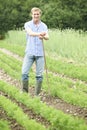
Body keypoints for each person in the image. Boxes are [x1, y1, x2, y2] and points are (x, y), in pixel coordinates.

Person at [21, 7, 49, 95]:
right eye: (34, 14)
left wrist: (43, 37)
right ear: (31, 15)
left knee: (39, 76)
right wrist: (39, 34)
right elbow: (30, 33)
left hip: (40, 54)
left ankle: (37, 95)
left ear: (40, 15)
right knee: (24, 73)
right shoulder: (27, 24)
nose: (36, 15)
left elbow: (47, 37)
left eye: (37, 14)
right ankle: (25, 93)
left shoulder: (44, 26)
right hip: (29, 52)